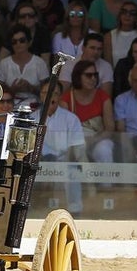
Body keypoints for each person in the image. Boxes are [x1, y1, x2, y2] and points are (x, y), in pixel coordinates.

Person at [38, 78, 84, 215]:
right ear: (40, 95)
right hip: (40, 163)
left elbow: (76, 148)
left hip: (64, 162)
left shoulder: (71, 119)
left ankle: (75, 212)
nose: (50, 97)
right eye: (46, 92)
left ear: (59, 96)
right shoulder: (33, 118)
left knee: (73, 172)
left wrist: (61, 165)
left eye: (55, 93)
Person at [60, 60, 115, 166]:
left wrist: (93, 140)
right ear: (78, 76)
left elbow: (110, 129)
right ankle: (84, 182)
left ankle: (106, 183)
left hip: (98, 138)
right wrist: (80, 141)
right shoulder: (66, 99)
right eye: (89, 75)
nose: (93, 79)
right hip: (74, 142)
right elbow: (63, 131)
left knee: (104, 150)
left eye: (95, 75)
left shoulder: (103, 97)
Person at [0, 24, 47, 107]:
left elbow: (47, 91)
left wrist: (31, 88)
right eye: (14, 42)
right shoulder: (4, 64)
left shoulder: (39, 63)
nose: (18, 44)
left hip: (35, 107)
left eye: (22, 40)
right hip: (9, 106)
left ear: (29, 42)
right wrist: (12, 90)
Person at [106, 1, 137, 67]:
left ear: (136, 17)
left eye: (132, 13)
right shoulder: (109, 36)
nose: (127, 15)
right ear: (119, 15)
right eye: (124, 12)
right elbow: (108, 65)